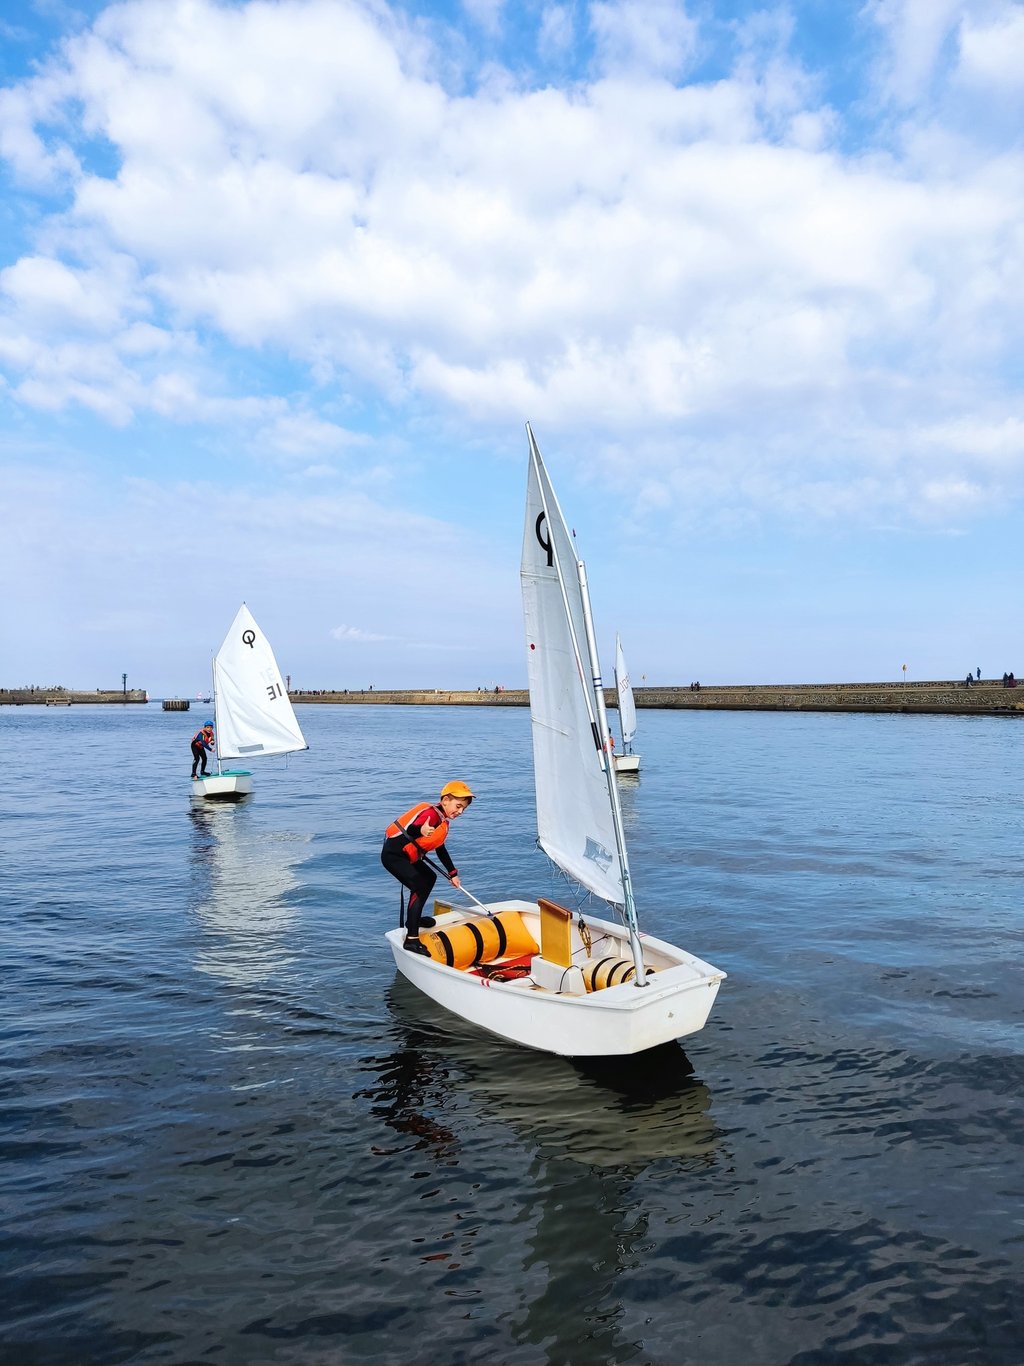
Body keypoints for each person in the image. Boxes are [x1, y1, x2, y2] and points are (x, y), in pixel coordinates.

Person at [381, 781, 474, 955]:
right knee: (420, 886)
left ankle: (413, 920)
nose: (460, 811)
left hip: (406, 856)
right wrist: (421, 830)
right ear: (445, 800)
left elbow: (440, 848)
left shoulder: (442, 819)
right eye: (458, 806)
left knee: (429, 878)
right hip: (394, 857)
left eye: (463, 809)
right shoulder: (431, 814)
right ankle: (412, 939)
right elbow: (415, 827)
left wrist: (452, 873)